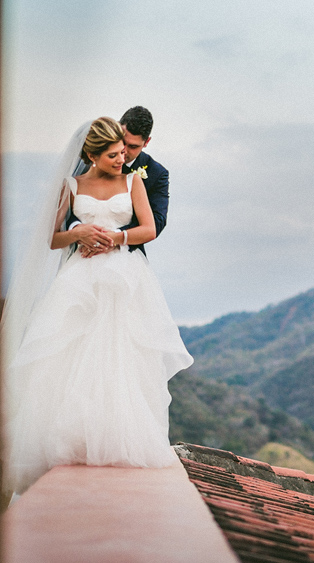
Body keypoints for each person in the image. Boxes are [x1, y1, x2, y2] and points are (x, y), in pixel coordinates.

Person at [1, 117, 193, 498]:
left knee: (120, 357)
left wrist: (117, 237)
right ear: (91, 154)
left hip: (124, 279)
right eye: (112, 155)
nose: (121, 159)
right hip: (79, 281)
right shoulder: (71, 185)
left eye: (123, 152)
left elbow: (150, 229)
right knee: (71, 356)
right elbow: (51, 239)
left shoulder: (133, 181)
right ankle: (70, 440)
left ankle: (117, 439)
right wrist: (78, 232)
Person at [70, 106, 168, 257]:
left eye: (133, 146)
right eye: (123, 141)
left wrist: (114, 238)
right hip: (82, 253)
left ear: (146, 142)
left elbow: (157, 222)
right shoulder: (92, 158)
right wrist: (77, 229)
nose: (125, 151)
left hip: (126, 255)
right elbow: (71, 203)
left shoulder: (157, 174)